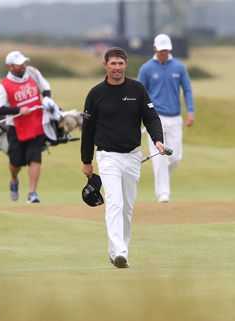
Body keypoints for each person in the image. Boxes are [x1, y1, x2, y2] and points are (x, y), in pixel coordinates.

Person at [81, 47, 164, 269]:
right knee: (114, 203)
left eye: (120, 63)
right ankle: (121, 252)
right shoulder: (96, 93)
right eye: (113, 63)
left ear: (126, 64)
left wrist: (158, 140)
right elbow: (87, 130)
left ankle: (115, 251)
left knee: (127, 207)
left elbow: (151, 118)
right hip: (107, 156)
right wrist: (86, 160)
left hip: (133, 157)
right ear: (105, 65)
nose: (117, 67)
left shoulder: (137, 89)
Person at [0, 51, 58, 203]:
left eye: (24, 62)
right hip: (16, 127)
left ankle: (32, 193)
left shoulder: (33, 72)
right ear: (10, 67)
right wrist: (18, 110)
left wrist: (47, 99)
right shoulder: (4, 85)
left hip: (36, 122)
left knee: (35, 158)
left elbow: (45, 87)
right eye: (19, 64)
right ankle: (14, 179)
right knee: (15, 163)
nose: (23, 66)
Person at [137, 34, 194, 203]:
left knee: (174, 156)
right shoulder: (146, 68)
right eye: (161, 50)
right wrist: (138, 117)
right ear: (155, 48)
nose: (164, 52)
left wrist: (190, 111)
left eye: (167, 49)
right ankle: (163, 193)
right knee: (160, 156)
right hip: (155, 118)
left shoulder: (178, 66)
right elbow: (139, 94)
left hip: (175, 117)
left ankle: (162, 183)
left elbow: (188, 89)